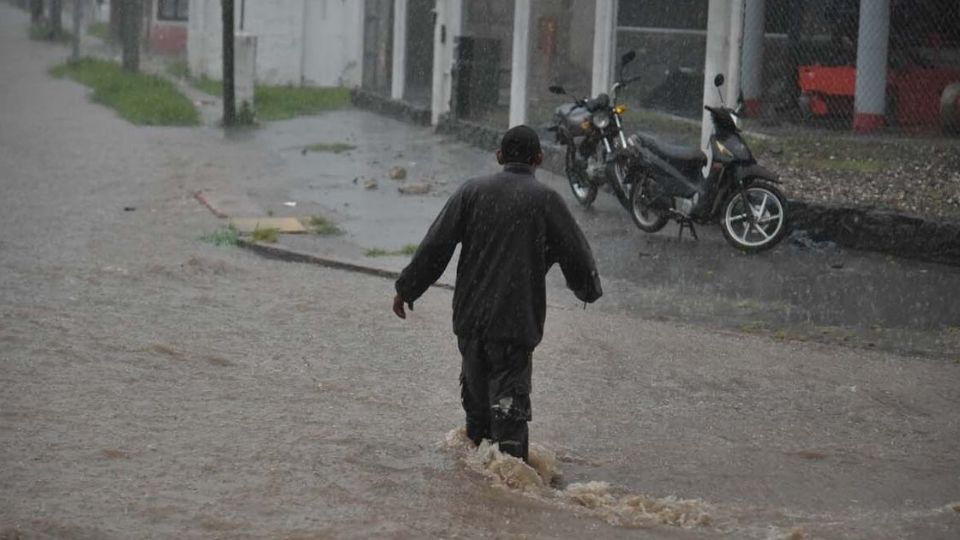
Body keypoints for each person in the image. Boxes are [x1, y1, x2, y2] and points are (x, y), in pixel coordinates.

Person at [392, 125, 602, 462]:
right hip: (514, 329)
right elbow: (576, 254)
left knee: (476, 419)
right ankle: (512, 497)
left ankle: (474, 498)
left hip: (471, 324)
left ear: (500, 156)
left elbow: (436, 245)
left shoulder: (471, 192)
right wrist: (588, 290)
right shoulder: (547, 201)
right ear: (539, 158)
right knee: (509, 423)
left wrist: (407, 289)